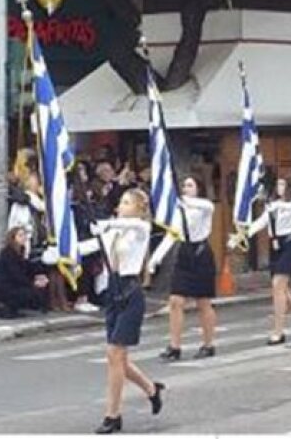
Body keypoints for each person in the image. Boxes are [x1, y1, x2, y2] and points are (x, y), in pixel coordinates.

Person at [76, 189, 165, 434]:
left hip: (130, 292)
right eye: (121, 201)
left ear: (138, 208)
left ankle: (112, 415)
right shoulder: (112, 230)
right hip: (113, 292)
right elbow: (90, 246)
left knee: (115, 353)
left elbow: (133, 227)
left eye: (127, 202)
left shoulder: (140, 228)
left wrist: (104, 224)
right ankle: (152, 389)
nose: (121, 205)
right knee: (117, 359)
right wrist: (65, 250)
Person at [235, 175, 291, 345]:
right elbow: (261, 222)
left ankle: (278, 331)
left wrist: (276, 205)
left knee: (278, 284)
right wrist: (243, 236)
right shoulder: (272, 206)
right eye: (278, 184)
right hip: (276, 245)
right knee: (280, 287)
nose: (280, 187)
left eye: (283, 184)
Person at [150, 175, 218, 361]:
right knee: (175, 301)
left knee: (203, 302)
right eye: (184, 186)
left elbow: (207, 207)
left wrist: (183, 200)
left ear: (198, 188)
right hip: (185, 253)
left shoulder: (204, 206)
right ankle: (174, 346)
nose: (186, 188)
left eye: (190, 185)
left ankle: (208, 343)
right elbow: (172, 235)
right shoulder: (178, 210)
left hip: (201, 253)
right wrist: (156, 258)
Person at [0, 227, 50, 317]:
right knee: (28, 292)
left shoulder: (20, 251)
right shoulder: (8, 253)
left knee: (37, 288)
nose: (23, 238)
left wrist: (39, 275)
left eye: (24, 235)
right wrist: (33, 283)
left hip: (13, 284)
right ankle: (7, 309)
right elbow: (15, 274)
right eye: (20, 235)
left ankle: (13, 309)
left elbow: (27, 266)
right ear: (13, 238)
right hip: (4, 287)